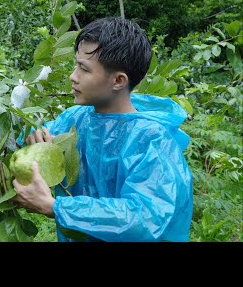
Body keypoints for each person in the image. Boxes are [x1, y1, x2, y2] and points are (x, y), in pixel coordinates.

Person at [13, 17, 193, 242]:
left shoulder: (152, 141)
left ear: (118, 81)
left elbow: (144, 218)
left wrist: (57, 208)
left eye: (83, 69)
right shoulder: (75, 119)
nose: (73, 76)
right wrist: (35, 138)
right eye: (75, 64)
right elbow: (23, 140)